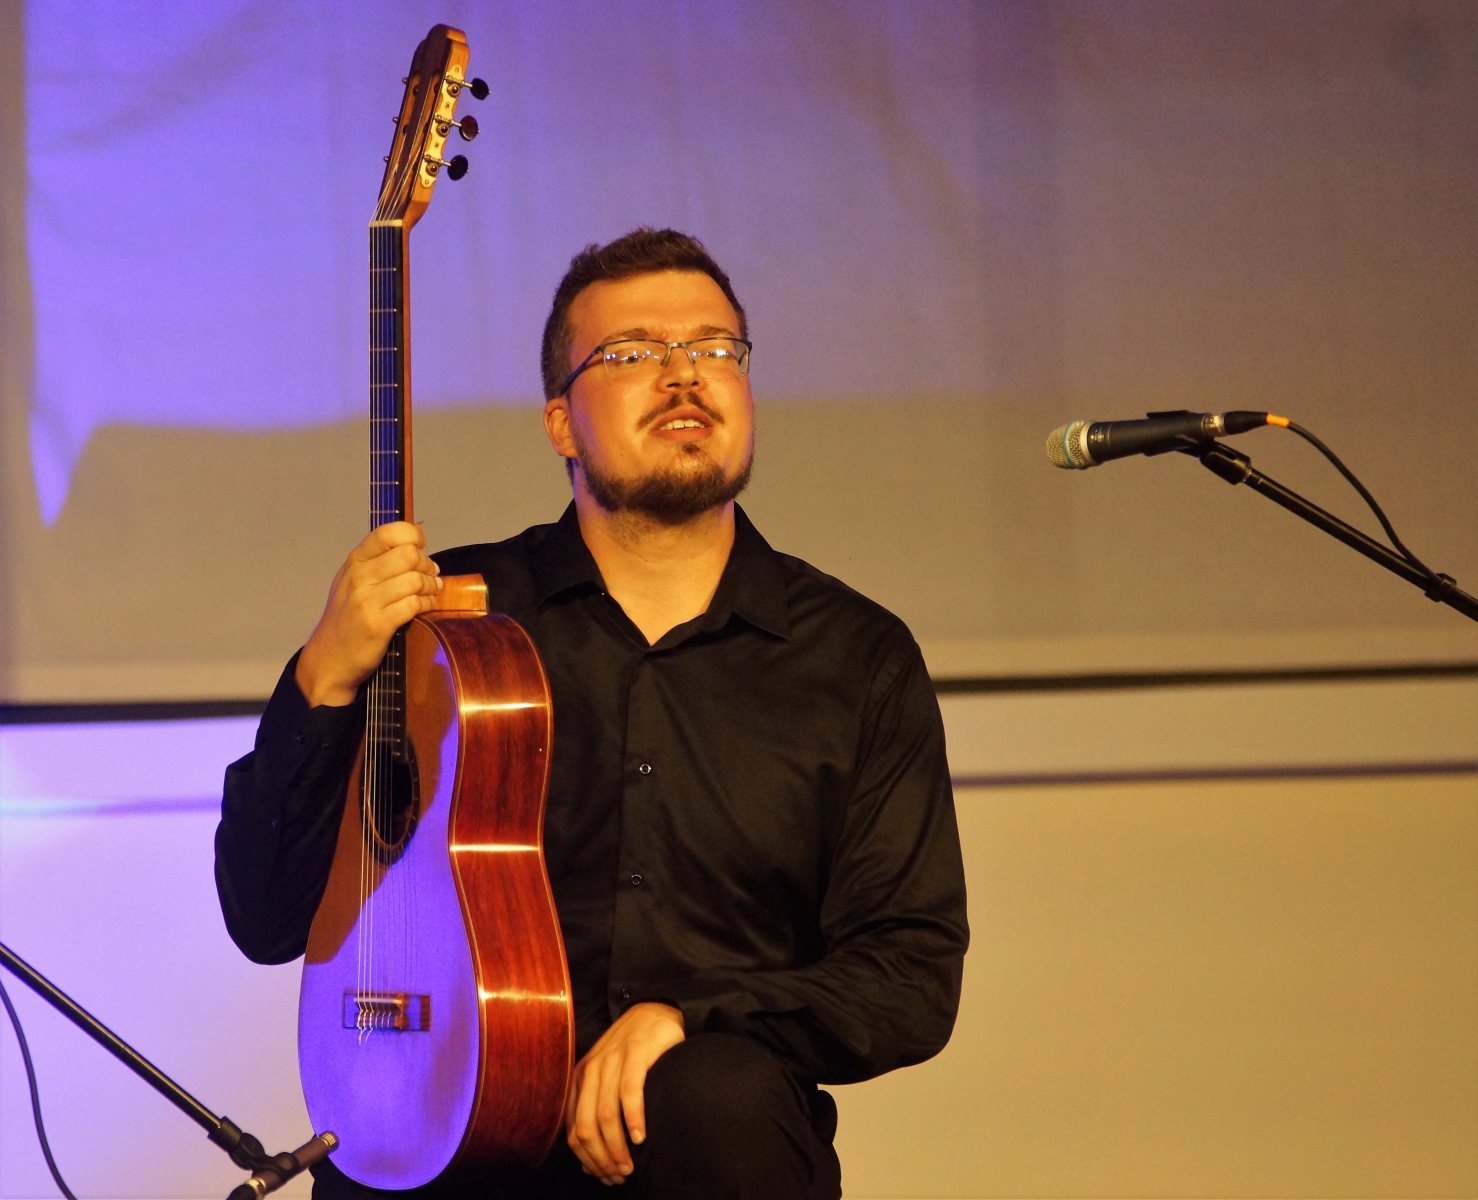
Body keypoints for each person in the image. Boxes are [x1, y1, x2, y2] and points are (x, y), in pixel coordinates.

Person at [215, 228, 969, 1200]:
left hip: (707, 1151)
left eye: (715, 349)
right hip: (453, 1148)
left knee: (716, 1093)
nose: (684, 374)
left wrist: (692, 1018)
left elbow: (908, 975)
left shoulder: (855, 658)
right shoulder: (446, 632)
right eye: (633, 352)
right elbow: (267, 918)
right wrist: (322, 674)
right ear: (560, 423)